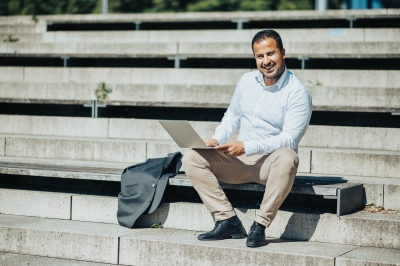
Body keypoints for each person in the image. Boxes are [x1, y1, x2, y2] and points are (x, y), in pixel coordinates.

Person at [181, 29, 312, 248]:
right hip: (239, 162)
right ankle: (227, 220)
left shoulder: (297, 92)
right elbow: (232, 116)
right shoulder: (246, 80)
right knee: (191, 157)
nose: (266, 61)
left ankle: (259, 225)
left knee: (288, 157)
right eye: (260, 56)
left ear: (283, 53)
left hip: (269, 165)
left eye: (271, 54)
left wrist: (247, 146)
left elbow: (289, 139)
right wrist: (216, 139)